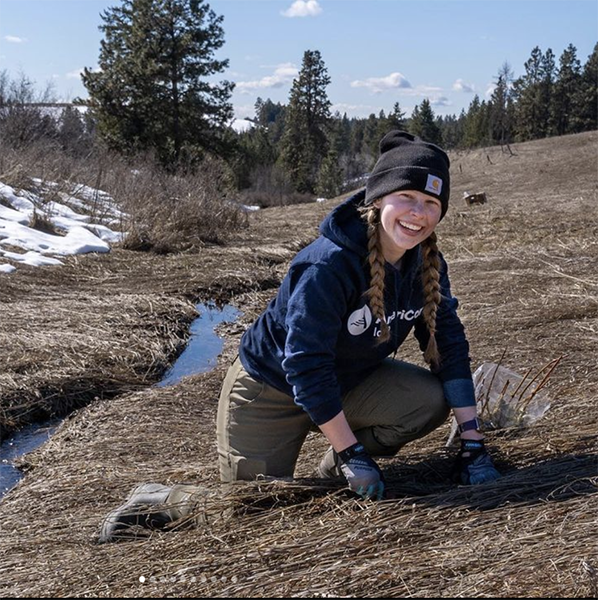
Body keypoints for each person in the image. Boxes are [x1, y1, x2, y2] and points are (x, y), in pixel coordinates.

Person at [99, 130, 500, 543]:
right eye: (408, 198)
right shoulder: (327, 265)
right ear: (378, 198)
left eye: (431, 203)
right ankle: (160, 499)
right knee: (249, 513)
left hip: (346, 384)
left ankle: (329, 477)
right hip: (270, 391)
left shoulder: (429, 263)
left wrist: (472, 441)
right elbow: (306, 364)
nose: (418, 213)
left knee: (427, 401)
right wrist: (353, 451)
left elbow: (450, 347)